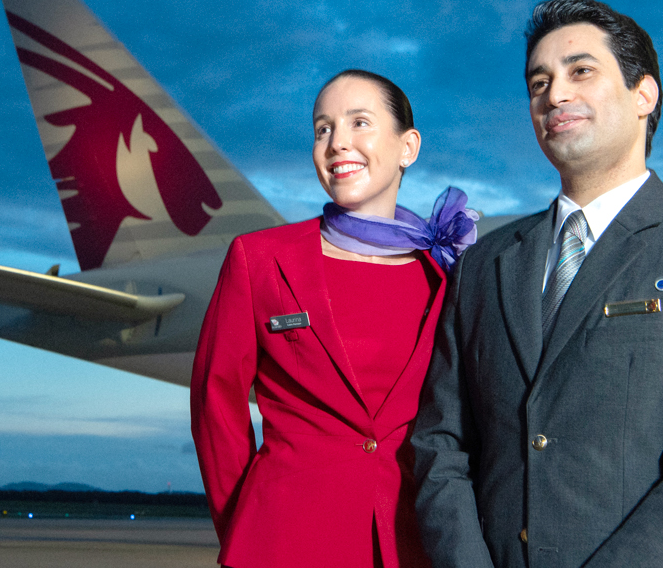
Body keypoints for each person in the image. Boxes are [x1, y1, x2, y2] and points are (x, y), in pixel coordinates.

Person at [412, 0, 663, 568]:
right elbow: (441, 445)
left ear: (645, 95)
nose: (555, 95)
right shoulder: (483, 265)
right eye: (538, 82)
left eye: (581, 71)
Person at [191, 69, 479, 568]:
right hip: (283, 539)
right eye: (323, 129)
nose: (337, 143)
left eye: (359, 123)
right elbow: (215, 403)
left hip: (413, 541)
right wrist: (246, 522)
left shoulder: (449, 276)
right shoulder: (259, 259)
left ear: (407, 146)